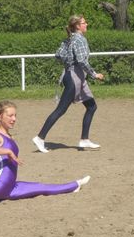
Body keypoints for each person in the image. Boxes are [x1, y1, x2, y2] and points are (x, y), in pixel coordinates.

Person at [0, 101, 90, 208]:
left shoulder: (8, 135)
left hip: (11, 186)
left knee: (40, 187)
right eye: (10, 116)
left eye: (15, 115)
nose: (14, 119)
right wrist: (8, 151)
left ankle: (75, 185)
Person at [32, 14, 104, 153]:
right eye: (84, 23)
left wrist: (69, 62)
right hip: (74, 77)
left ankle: (84, 140)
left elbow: (58, 55)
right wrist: (94, 74)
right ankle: (40, 138)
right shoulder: (80, 39)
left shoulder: (69, 39)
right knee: (60, 110)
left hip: (75, 76)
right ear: (77, 26)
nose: (86, 24)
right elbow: (82, 61)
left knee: (91, 106)